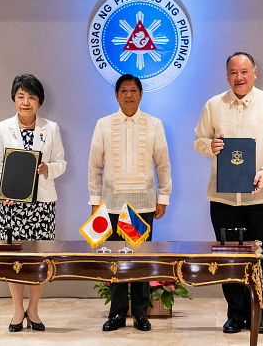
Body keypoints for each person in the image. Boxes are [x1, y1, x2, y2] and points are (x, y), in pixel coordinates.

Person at [194, 52, 263, 334]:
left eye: (244, 71)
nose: (239, 77)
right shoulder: (214, 105)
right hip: (223, 196)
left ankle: (256, 312)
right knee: (228, 256)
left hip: (261, 196)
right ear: (227, 76)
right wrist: (208, 146)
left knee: (260, 256)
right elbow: (199, 139)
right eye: (233, 72)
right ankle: (235, 314)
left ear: (255, 72)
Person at [88, 74, 172, 332]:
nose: (128, 95)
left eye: (133, 90)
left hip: (141, 204)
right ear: (116, 95)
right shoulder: (104, 124)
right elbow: (94, 166)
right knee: (116, 262)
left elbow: (163, 163)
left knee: (138, 261)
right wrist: (95, 202)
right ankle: (116, 313)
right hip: (112, 204)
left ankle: (140, 313)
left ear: (141, 94)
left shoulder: (154, 124)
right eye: (123, 90)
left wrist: (163, 197)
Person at [0, 74, 66, 332]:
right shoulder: (2, 128)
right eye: (21, 96)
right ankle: (17, 310)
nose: (26, 102)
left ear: (39, 101)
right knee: (14, 259)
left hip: (42, 205)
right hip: (12, 205)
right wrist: (3, 191)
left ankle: (33, 309)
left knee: (38, 258)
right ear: (14, 99)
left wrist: (48, 168)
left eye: (31, 97)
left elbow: (61, 164)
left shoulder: (51, 128)